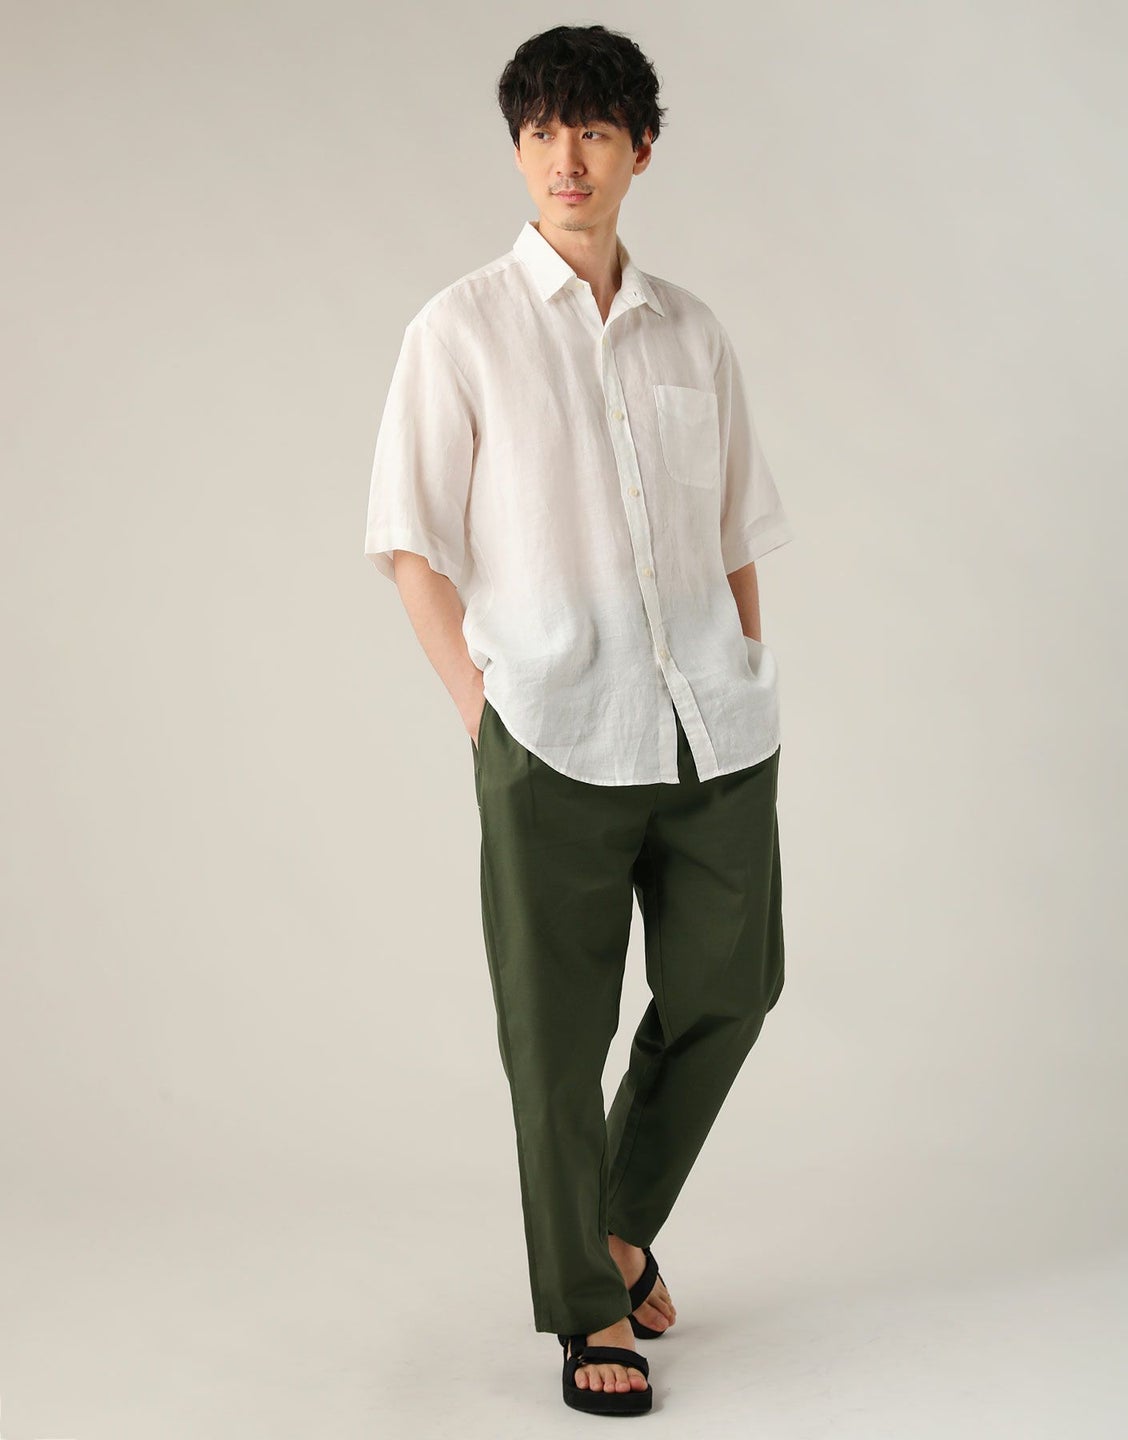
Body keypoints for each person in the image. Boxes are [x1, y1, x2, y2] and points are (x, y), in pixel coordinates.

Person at [363, 23, 794, 1417]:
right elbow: (409, 542)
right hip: (549, 725)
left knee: (733, 985)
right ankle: (586, 1305)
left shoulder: (694, 333)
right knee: (555, 1036)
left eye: (595, 131)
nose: (568, 157)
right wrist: (481, 708)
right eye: (543, 131)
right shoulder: (461, 330)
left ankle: (611, 1226)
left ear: (639, 151)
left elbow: (735, 531)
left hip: (708, 723)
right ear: (517, 149)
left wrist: (743, 660)